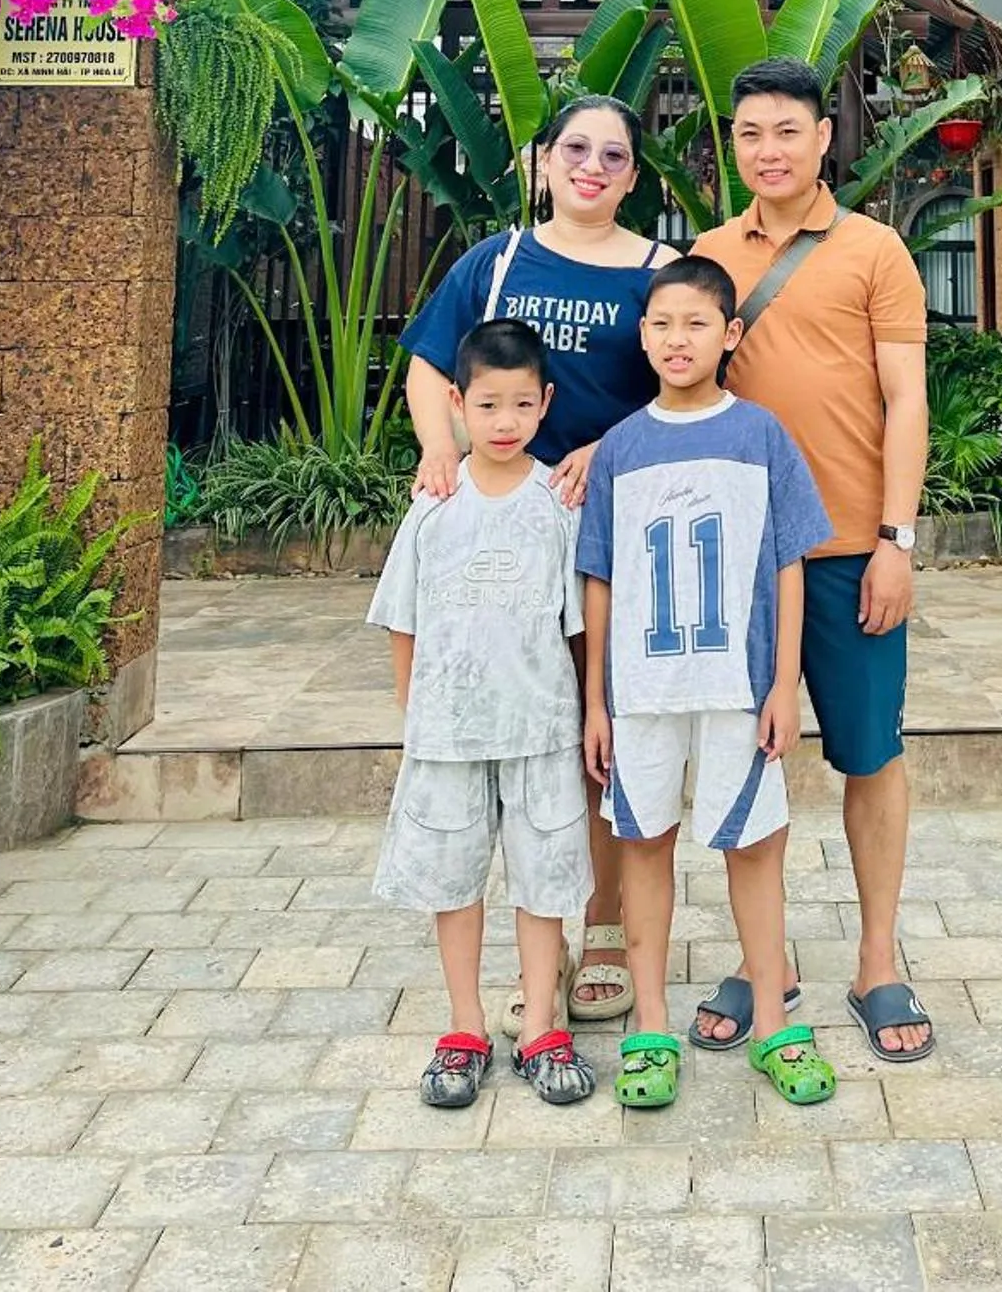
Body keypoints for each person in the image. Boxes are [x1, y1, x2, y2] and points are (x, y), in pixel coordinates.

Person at [400, 93, 666, 1028]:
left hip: (615, 533)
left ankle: (599, 930)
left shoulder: (657, 271)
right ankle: (527, 963)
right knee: (538, 731)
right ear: (544, 160)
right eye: (577, 149)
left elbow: (692, 379)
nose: (594, 166)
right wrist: (441, 449)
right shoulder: (497, 260)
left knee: (603, 739)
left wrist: (615, 445)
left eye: (615, 155)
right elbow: (431, 367)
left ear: (634, 175)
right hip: (507, 532)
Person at [693, 54, 936, 1063]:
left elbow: (908, 399)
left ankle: (879, 959)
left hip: (848, 552)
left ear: (824, 139)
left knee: (871, 755)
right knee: (753, 759)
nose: (769, 150)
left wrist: (896, 539)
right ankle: (765, 960)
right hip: (740, 562)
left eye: (787, 130)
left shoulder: (875, 250)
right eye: (751, 134)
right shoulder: (708, 255)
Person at [578, 257, 838, 1112]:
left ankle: (775, 1025)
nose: (676, 339)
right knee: (644, 847)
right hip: (642, 694)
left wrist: (783, 684)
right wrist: (596, 702)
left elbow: (790, 565)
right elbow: (601, 581)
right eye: (661, 324)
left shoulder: (760, 435)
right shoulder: (620, 448)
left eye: (695, 324)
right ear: (643, 335)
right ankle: (650, 1028)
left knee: (754, 852)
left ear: (729, 335)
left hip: (738, 686)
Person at [367, 317, 596, 1112]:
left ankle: (540, 1025)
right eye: (488, 405)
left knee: (542, 883)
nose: (504, 423)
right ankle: (464, 1026)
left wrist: (586, 713)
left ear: (545, 406)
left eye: (521, 406)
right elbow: (404, 619)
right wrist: (414, 711)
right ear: (457, 402)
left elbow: (578, 628)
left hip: (539, 729)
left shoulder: (559, 505)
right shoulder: (434, 504)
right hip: (450, 734)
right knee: (453, 879)